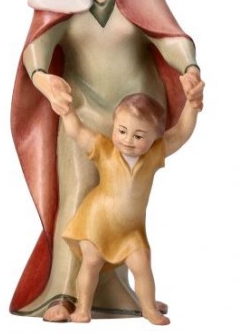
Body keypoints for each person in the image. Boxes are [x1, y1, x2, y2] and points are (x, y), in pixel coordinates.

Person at [10, 0, 205, 321]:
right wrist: (43, 79)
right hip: (79, 107)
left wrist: (188, 66)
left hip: (137, 113)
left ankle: (114, 292)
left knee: (123, 201)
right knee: (77, 195)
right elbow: (36, 48)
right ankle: (65, 292)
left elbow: (169, 37)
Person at [60, 75, 202, 325]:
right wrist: (67, 110)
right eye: (122, 131)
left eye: (139, 136)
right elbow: (78, 132)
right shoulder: (104, 149)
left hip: (130, 230)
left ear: (155, 137)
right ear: (114, 125)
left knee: (142, 264)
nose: (127, 140)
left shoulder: (154, 154)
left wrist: (192, 105)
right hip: (97, 223)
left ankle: (148, 309)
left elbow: (181, 132)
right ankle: (83, 308)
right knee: (91, 262)